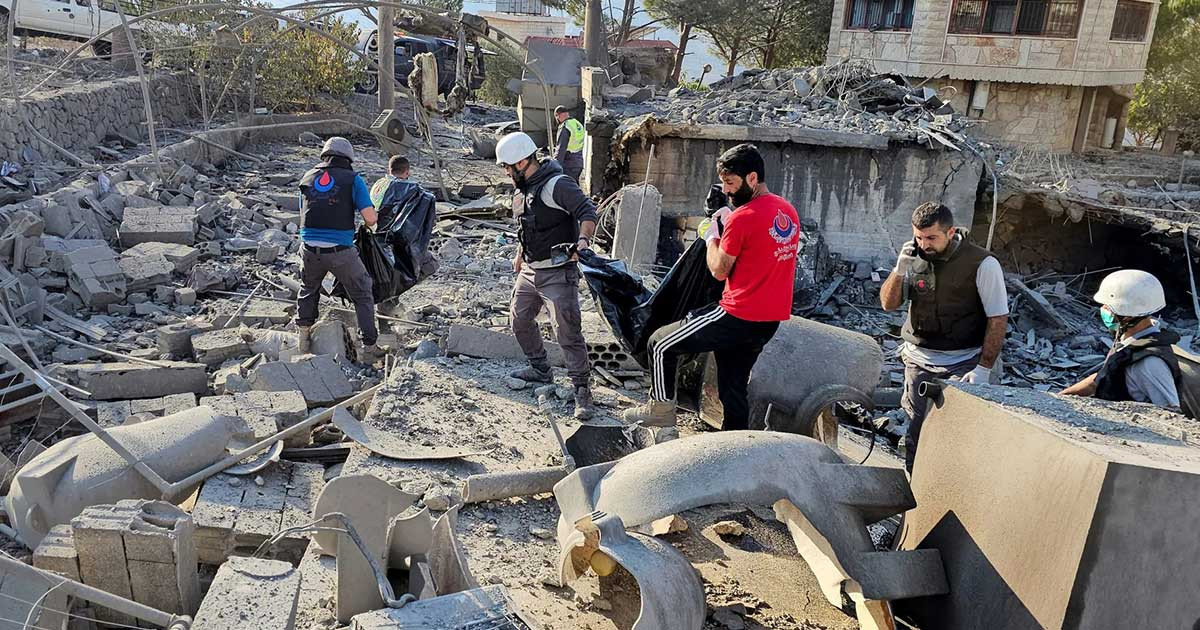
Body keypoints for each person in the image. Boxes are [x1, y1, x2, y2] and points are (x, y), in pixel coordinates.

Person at [623, 143, 800, 430]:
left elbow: (718, 270)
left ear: (752, 179)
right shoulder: (788, 211)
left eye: (731, 183)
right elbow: (758, 251)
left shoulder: (743, 218)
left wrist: (711, 234)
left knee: (659, 343)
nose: (727, 191)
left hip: (737, 313)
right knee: (732, 387)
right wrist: (727, 218)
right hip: (768, 320)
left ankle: (661, 411)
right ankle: (735, 443)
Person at [879, 202, 1008, 472]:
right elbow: (888, 305)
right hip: (919, 360)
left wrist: (983, 369)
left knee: (955, 436)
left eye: (931, 238)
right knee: (916, 432)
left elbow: (997, 319)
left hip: (963, 363)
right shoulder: (913, 257)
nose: (923, 243)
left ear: (950, 233)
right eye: (918, 236)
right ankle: (915, 492)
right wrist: (899, 269)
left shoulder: (982, 264)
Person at [497, 131, 599, 420]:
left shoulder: (558, 184)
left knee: (566, 329)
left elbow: (587, 211)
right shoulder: (522, 188)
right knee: (518, 319)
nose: (505, 172)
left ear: (523, 162)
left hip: (558, 271)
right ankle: (541, 369)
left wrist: (583, 242)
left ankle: (582, 389)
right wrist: (520, 254)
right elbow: (526, 225)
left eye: (507, 166)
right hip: (530, 269)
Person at [296, 137, 382, 361]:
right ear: (349, 159)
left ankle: (303, 338)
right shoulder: (353, 179)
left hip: (308, 247)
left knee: (308, 288)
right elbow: (370, 219)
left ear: (324, 155)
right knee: (363, 291)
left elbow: (303, 214)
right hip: (340, 250)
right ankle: (369, 346)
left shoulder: (307, 177)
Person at [1061, 270, 1182, 410]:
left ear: (1127, 315)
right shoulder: (1131, 341)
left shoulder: (1148, 363)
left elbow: (1171, 412)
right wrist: (1062, 396)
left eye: (1107, 307)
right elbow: (1104, 375)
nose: (1103, 310)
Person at [553, 105, 585, 182]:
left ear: (558, 115)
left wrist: (555, 166)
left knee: (566, 188)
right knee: (574, 187)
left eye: (556, 117)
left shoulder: (565, 127)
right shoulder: (577, 123)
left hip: (569, 164)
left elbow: (561, 149)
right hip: (578, 162)